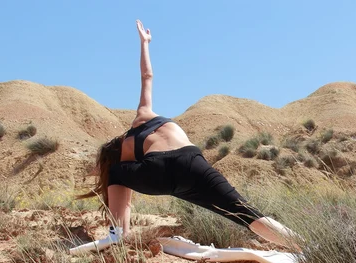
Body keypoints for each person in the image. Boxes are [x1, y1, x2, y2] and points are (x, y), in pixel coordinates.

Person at [77, 20, 296, 250]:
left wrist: (106, 171)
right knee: (247, 214)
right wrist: (145, 43)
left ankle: (117, 233)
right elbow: (147, 76)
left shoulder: (125, 153)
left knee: (115, 173)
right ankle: (307, 247)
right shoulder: (143, 114)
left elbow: (119, 186)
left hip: (158, 172)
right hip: (192, 163)